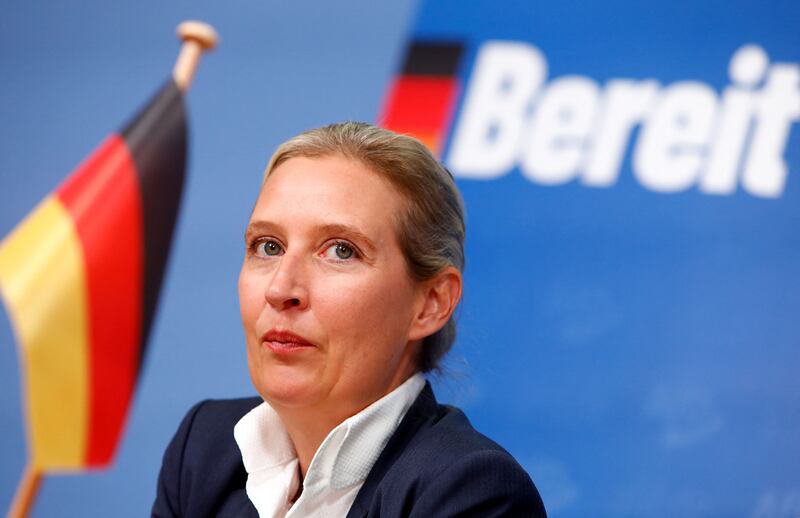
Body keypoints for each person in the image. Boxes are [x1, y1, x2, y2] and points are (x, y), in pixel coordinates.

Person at [152, 122, 547, 517]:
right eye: (268, 246)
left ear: (431, 303)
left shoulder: (469, 490)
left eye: (341, 251)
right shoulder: (204, 450)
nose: (280, 288)